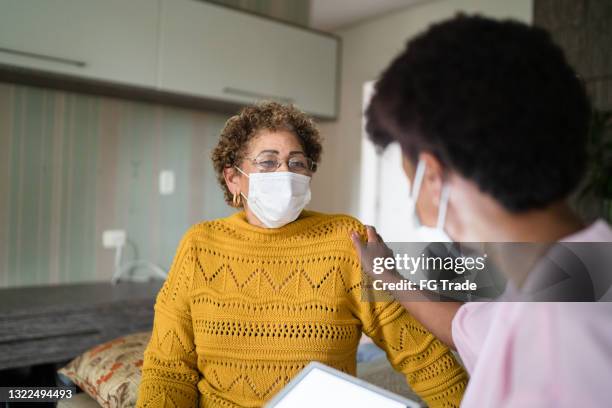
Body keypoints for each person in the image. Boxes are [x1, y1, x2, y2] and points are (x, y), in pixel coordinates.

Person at [352, 15, 612, 407]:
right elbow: (465, 328)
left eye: (410, 179)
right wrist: (387, 274)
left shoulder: (559, 344)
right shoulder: (575, 272)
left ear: (434, 177)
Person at [136, 101, 468, 408]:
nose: (285, 173)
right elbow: (168, 370)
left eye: (296, 163)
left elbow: (421, 354)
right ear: (234, 178)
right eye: (268, 162)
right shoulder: (199, 245)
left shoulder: (345, 239)